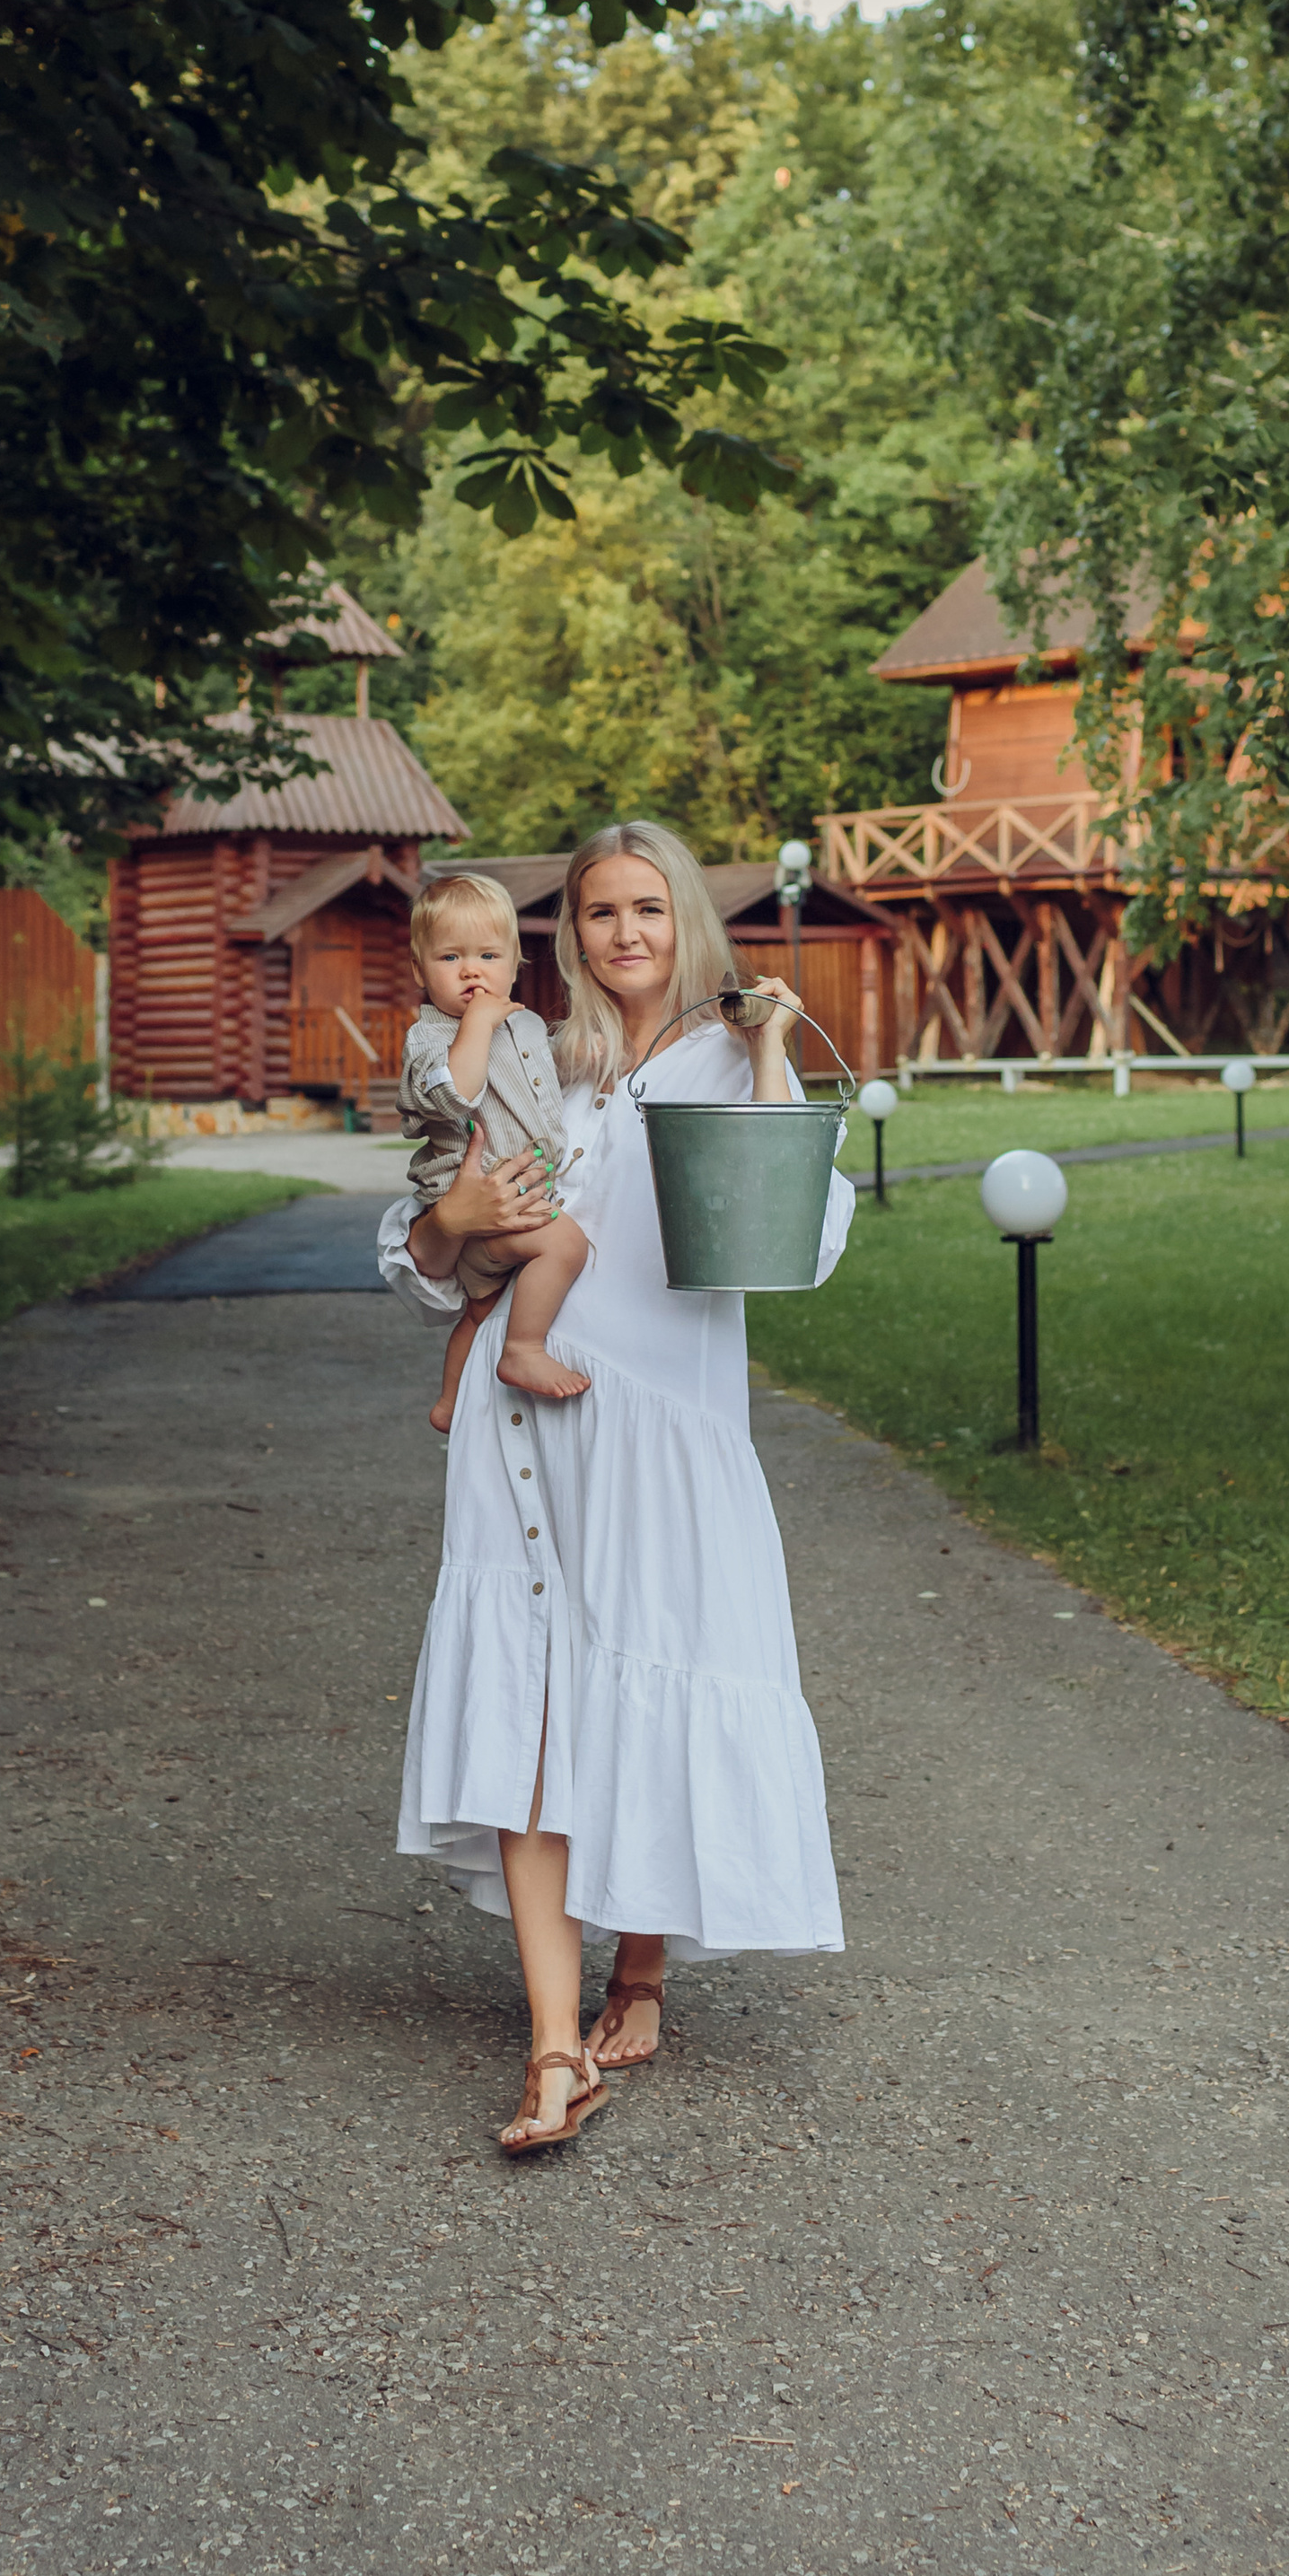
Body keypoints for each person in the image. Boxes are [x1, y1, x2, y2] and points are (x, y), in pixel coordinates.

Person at [379, 819, 853, 2155]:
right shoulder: (536, 1054)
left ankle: (638, 1967)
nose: (625, 932)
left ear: (685, 918)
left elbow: (798, 1234)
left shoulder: (728, 1055)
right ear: (571, 933)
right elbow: (422, 1258)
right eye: (599, 911)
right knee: (530, 1714)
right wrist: (453, 1224)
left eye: (648, 907)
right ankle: (551, 2049)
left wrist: (768, 1050)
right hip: (519, 1425)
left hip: (662, 1432)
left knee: (652, 1686)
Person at [397, 872, 591, 1432]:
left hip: (514, 1198)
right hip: (476, 1204)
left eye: (488, 955)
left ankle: (449, 1402)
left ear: (514, 963)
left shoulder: (524, 1022)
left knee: (482, 1310)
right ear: (420, 971)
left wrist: (578, 1055)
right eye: (450, 957)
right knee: (565, 1245)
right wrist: (477, 1024)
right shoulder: (431, 1037)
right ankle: (523, 1350)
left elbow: (541, 1079)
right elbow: (456, 1093)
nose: (471, 971)